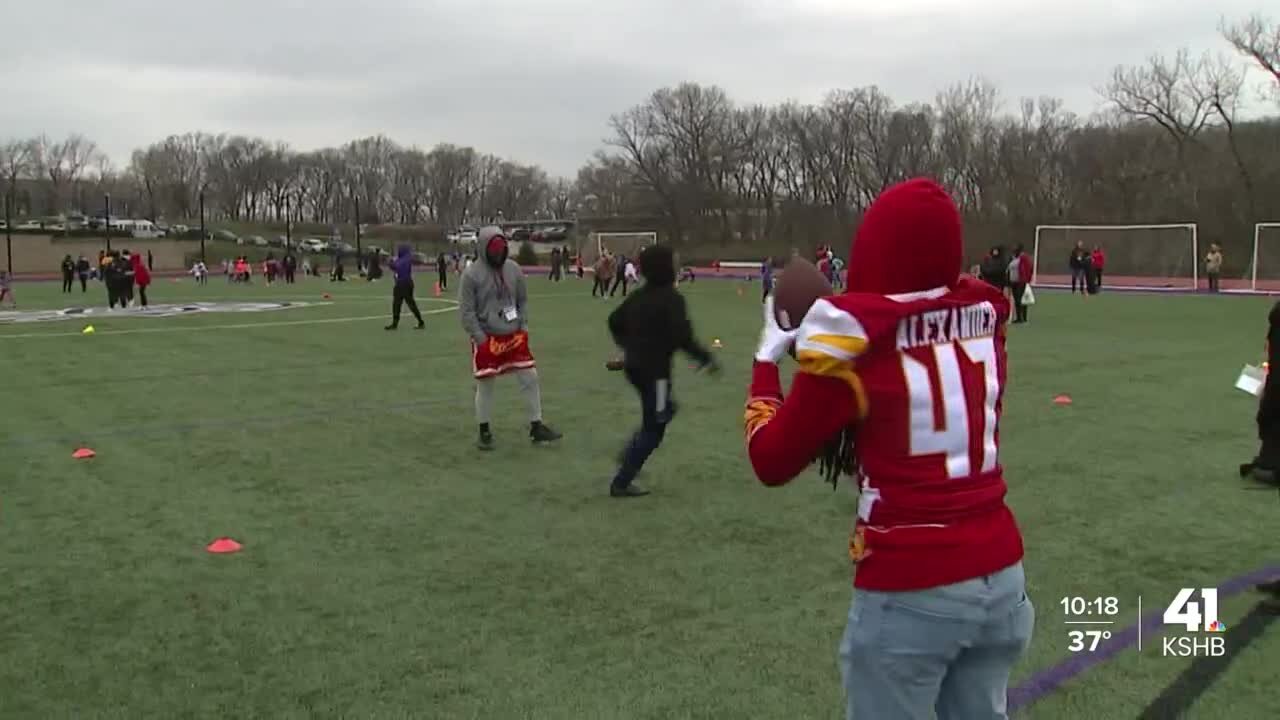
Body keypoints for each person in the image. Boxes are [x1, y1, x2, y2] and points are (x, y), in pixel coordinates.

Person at [742, 177, 1033, 720]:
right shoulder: (986, 317)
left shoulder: (852, 338)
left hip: (913, 584)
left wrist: (767, 360)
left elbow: (771, 460)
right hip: (1003, 576)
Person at [606, 244, 719, 497]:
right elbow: (684, 338)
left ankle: (631, 453)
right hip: (655, 375)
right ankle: (622, 481)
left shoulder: (638, 296)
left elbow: (614, 321)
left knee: (661, 412)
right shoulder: (672, 299)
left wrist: (629, 346)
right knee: (655, 428)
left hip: (635, 370)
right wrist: (706, 359)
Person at [459, 226, 562, 450]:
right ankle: (484, 431)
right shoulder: (471, 274)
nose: (498, 255)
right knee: (486, 384)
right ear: (484, 249)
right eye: (494, 251)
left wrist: (523, 326)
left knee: (530, 376)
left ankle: (536, 426)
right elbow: (466, 312)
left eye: (501, 251)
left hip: (514, 335)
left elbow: (522, 300)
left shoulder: (513, 269)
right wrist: (480, 338)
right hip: (487, 337)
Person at [386, 244, 425, 331]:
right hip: (406, 283)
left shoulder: (404, 259)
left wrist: (390, 262)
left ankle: (395, 323)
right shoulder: (406, 258)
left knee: (398, 304)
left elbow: (396, 266)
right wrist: (391, 263)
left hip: (402, 284)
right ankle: (420, 321)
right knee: (407, 303)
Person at [1007, 244, 1032, 324]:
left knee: (1020, 299)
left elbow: (1028, 268)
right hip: (1013, 281)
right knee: (1017, 299)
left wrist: (1026, 280)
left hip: (1021, 281)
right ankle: (1019, 317)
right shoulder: (1013, 258)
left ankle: (1023, 317)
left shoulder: (1024, 258)